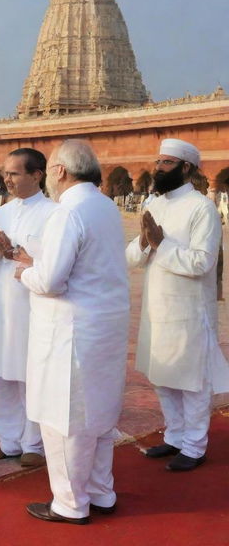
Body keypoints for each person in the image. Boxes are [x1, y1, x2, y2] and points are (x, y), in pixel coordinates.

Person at [14, 140, 130, 524]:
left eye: (50, 170)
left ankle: (70, 502)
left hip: (72, 330)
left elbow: (50, 281)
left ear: (60, 171)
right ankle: (101, 491)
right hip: (104, 326)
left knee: (64, 419)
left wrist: (25, 271)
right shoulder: (105, 205)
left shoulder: (69, 211)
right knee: (97, 416)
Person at [126, 138, 229, 471]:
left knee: (192, 379)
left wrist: (162, 244)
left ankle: (195, 446)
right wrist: (145, 242)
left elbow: (202, 262)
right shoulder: (155, 205)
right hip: (156, 309)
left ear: (186, 168)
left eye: (167, 162)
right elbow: (131, 257)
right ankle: (174, 436)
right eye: (158, 161)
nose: (159, 168)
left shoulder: (202, 208)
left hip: (188, 311)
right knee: (162, 376)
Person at [0, 148, 56, 468]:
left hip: (34, 305)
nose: (7, 179)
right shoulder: (3, 212)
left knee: (31, 376)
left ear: (37, 175)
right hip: (3, 304)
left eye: (15, 173)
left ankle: (33, 444)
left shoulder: (52, 213)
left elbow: (55, 263)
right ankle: (9, 441)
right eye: (5, 173)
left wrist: (23, 256)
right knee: (3, 376)